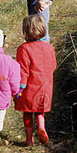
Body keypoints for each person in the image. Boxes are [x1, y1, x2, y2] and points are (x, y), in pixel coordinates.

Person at [14, 14, 57, 145]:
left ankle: (28, 139)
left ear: (26, 31)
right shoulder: (49, 47)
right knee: (39, 109)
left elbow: (23, 70)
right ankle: (42, 127)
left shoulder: (23, 49)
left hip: (29, 86)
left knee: (27, 112)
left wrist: (20, 86)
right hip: (45, 85)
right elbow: (53, 65)